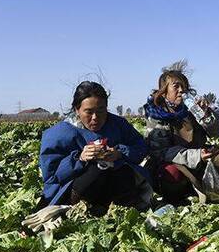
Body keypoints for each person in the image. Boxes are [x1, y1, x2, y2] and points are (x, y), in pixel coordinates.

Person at [39, 81, 152, 211]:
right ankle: (79, 211)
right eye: (88, 112)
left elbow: (141, 147)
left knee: (123, 171)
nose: (95, 117)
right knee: (97, 170)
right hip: (77, 192)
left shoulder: (118, 124)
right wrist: (79, 159)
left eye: (101, 110)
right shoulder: (60, 133)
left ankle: (117, 208)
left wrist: (120, 153)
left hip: (112, 188)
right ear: (77, 110)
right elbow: (51, 176)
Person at [143, 68, 219, 205]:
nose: (181, 90)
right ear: (164, 92)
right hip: (174, 162)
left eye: (184, 87)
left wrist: (207, 115)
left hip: (199, 156)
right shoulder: (157, 115)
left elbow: (217, 132)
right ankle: (177, 200)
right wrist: (197, 156)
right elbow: (163, 151)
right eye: (176, 86)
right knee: (171, 172)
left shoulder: (191, 109)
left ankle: (203, 190)